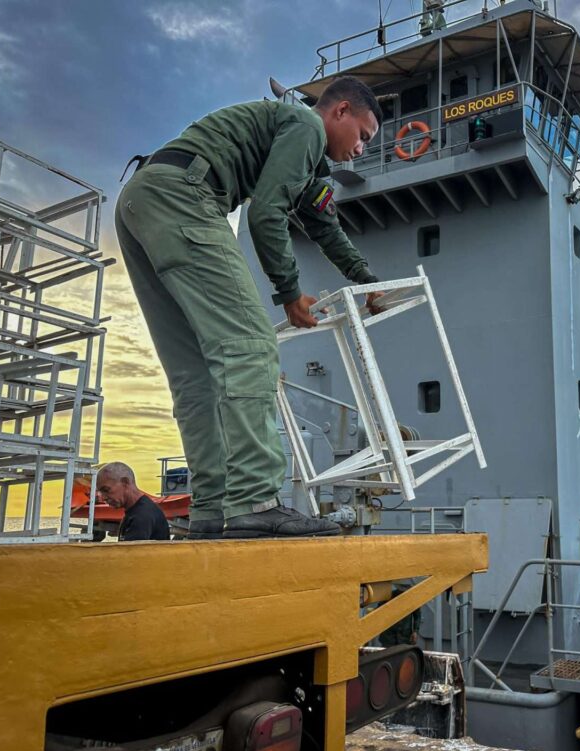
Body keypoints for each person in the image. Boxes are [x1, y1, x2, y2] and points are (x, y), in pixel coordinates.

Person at [116, 76, 385, 540]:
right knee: (251, 346)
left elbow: (324, 227)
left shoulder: (302, 159)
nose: (362, 149)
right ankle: (256, 502)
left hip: (140, 201)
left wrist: (368, 280)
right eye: (363, 135)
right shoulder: (305, 126)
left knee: (193, 372)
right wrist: (288, 291)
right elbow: (265, 213)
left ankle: (211, 511)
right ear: (339, 111)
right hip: (186, 197)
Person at [96, 462, 170, 542]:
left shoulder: (142, 516)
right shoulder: (136, 511)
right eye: (100, 492)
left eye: (106, 490)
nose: (103, 498)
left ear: (125, 482)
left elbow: (131, 553)